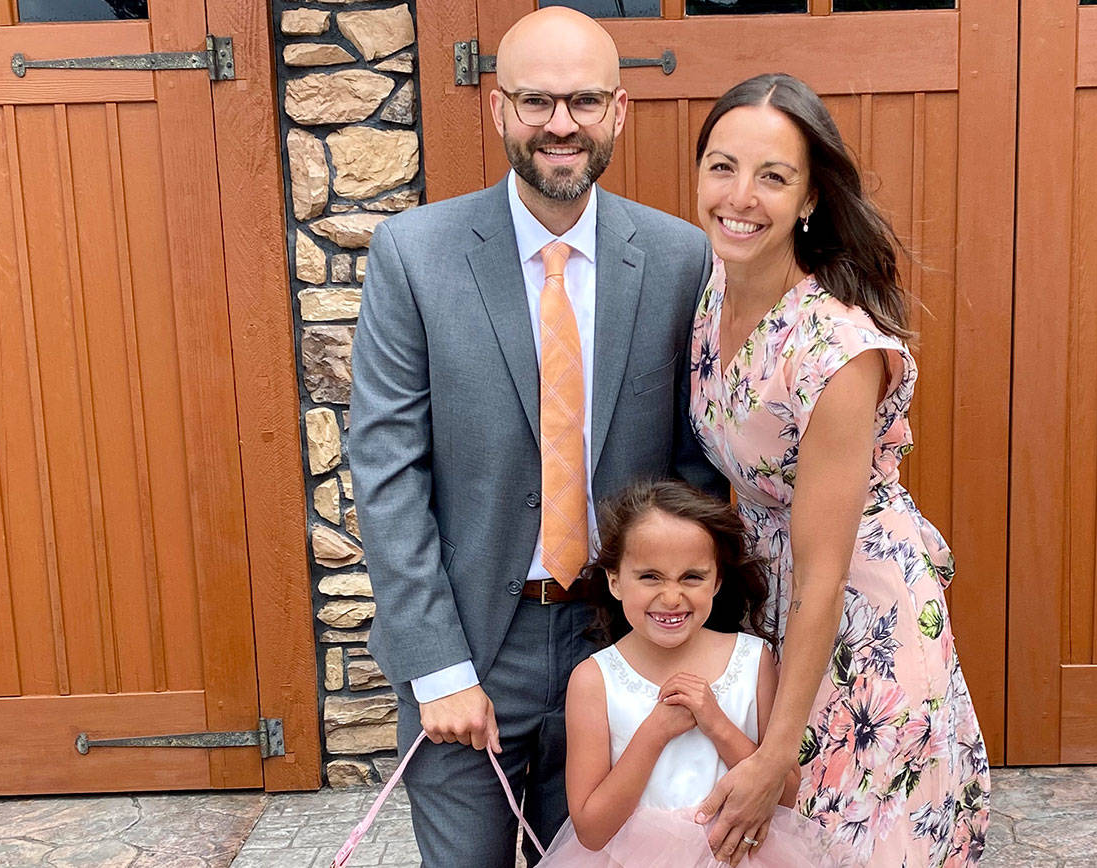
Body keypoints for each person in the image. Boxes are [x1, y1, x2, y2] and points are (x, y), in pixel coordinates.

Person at [348, 8, 722, 866]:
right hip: (476, 642)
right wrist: (436, 666)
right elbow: (386, 468)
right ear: (498, 109)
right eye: (538, 101)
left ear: (620, 111)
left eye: (585, 101)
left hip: (617, 639)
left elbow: (694, 471)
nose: (562, 123)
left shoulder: (678, 259)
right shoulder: (414, 254)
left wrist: (678, 633)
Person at [685, 73, 991, 866]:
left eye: (773, 176)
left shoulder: (836, 350)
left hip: (858, 618)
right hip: (770, 598)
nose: (740, 196)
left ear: (811, 198)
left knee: (845, 837)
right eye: (722, 166)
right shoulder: (716, 286)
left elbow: (824, 576)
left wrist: (777, 750)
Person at [541, 480, 848, 867]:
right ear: (615, 581)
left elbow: (784, 794)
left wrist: (716, 723)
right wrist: (655, 732)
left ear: (717, 581)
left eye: (692, 577)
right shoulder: (594, 679)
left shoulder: (753, 661)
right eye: (650, 577)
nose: (671, 597)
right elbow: (591, 829)